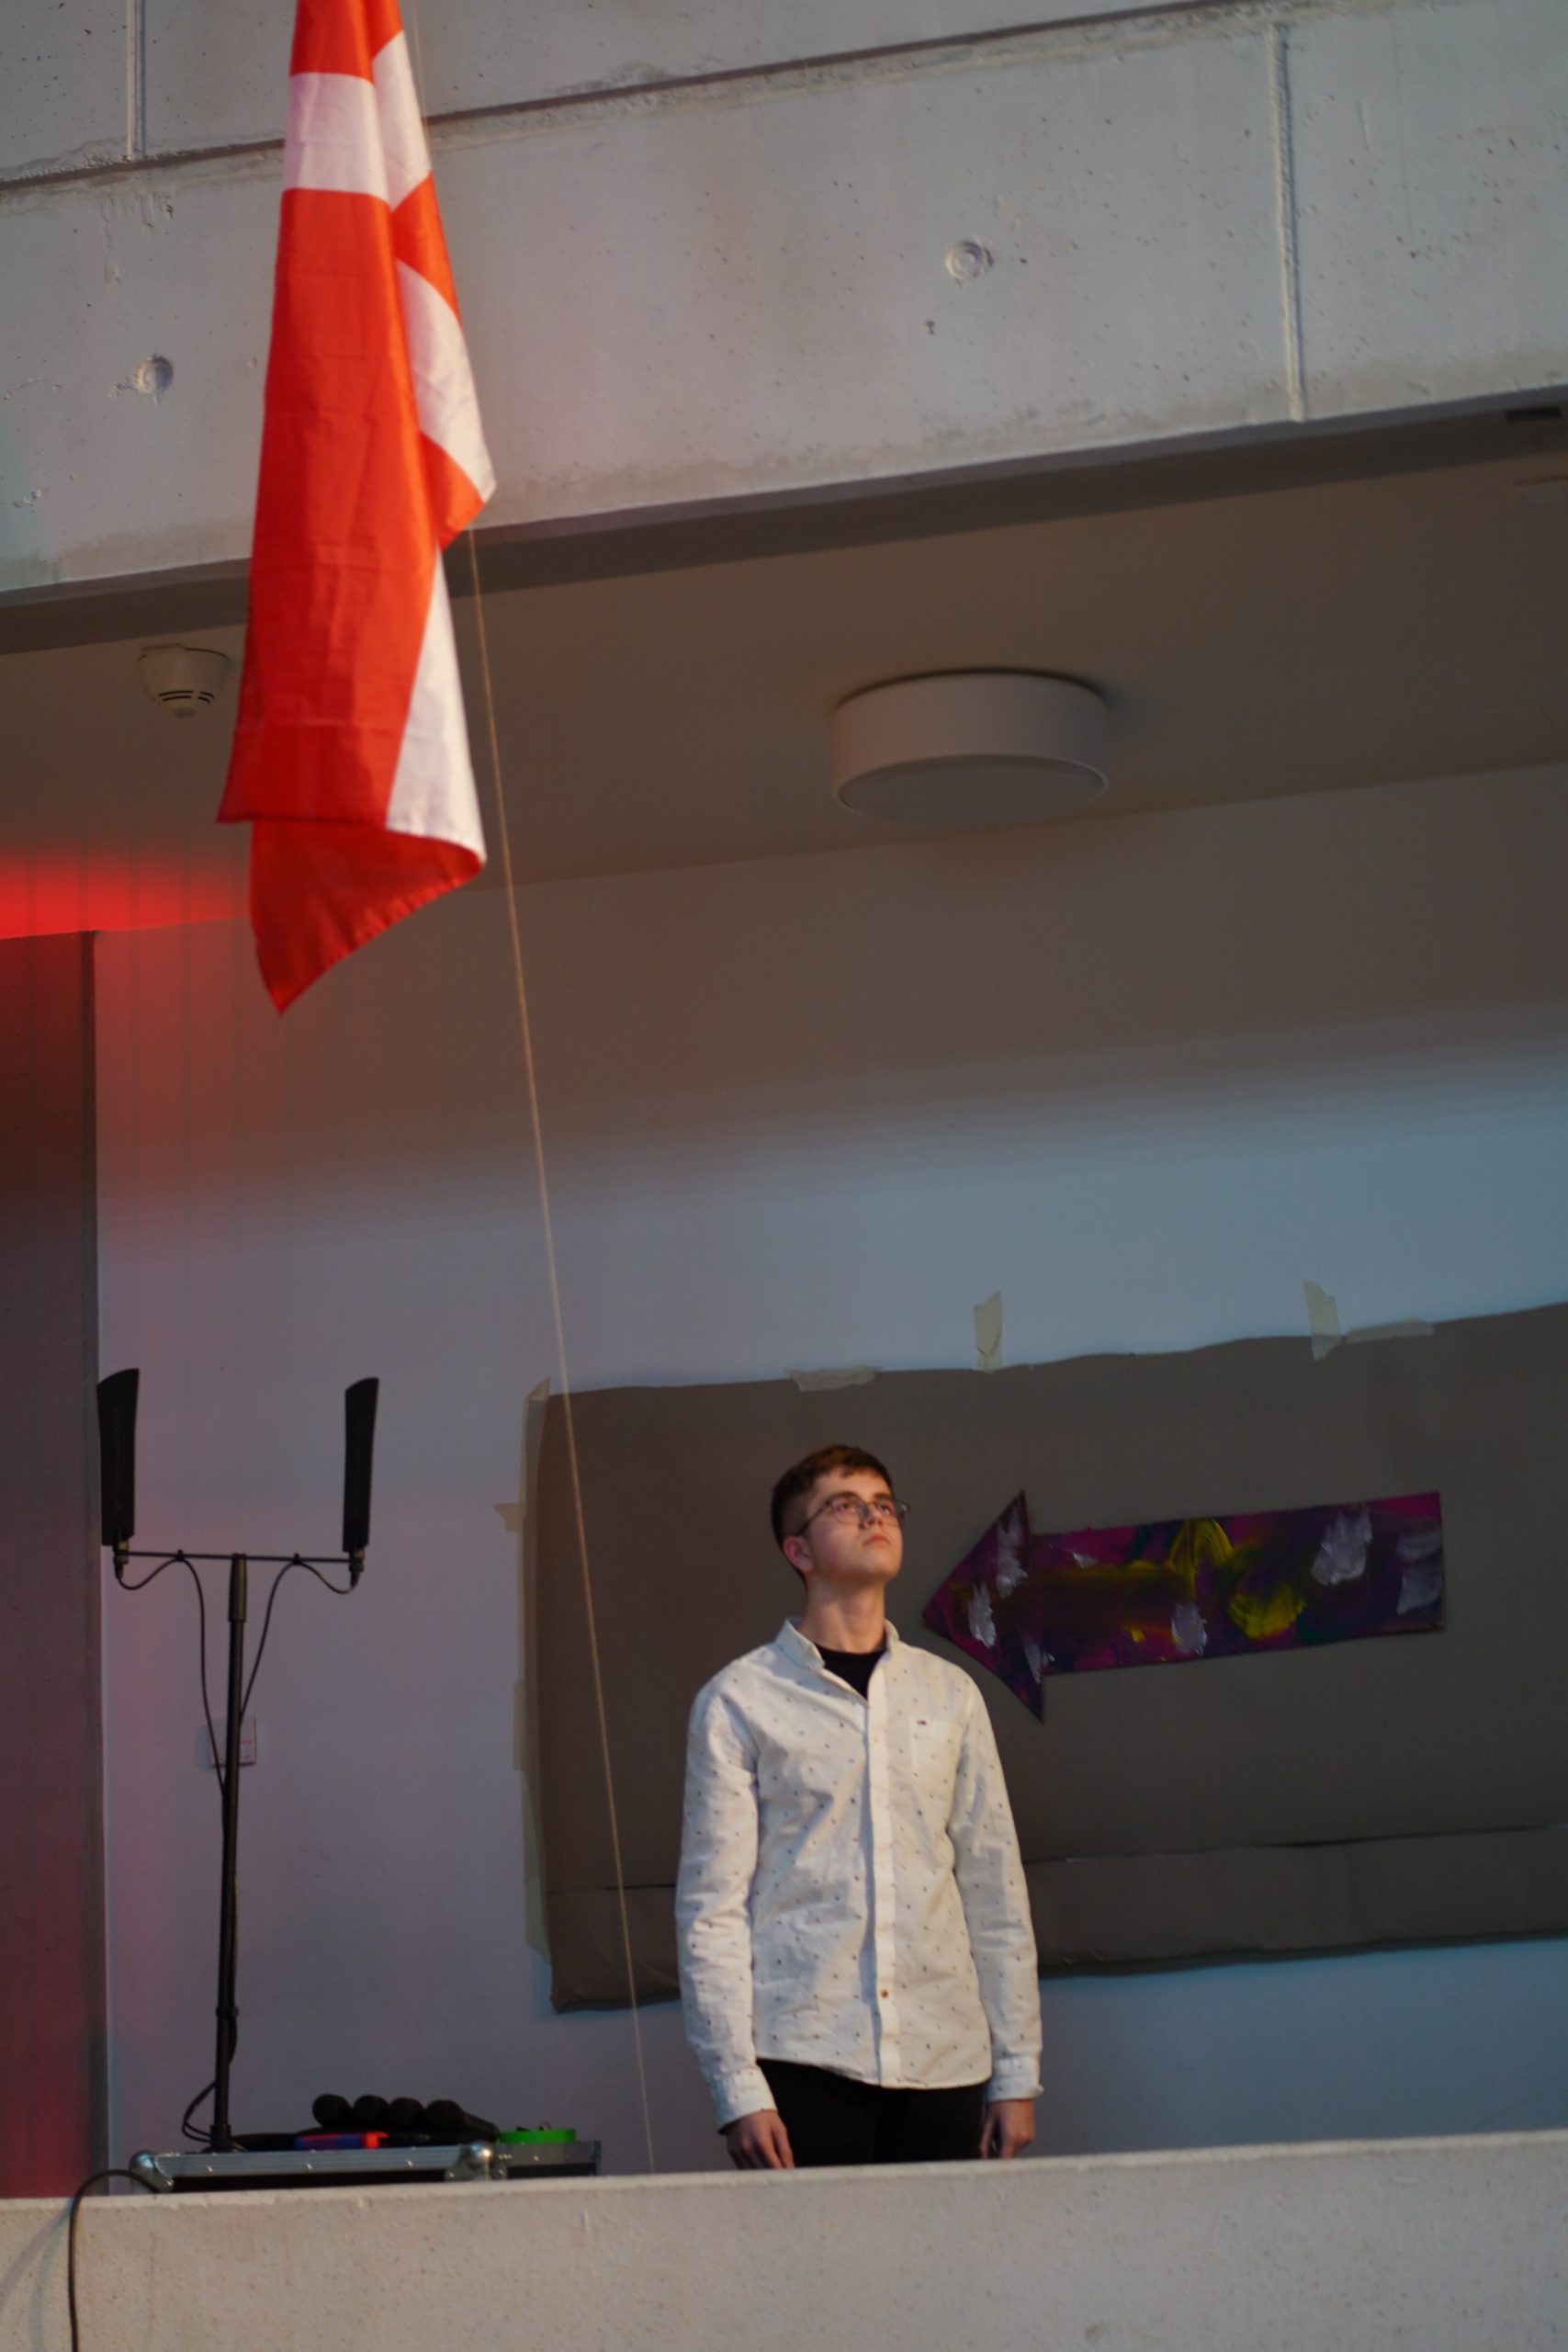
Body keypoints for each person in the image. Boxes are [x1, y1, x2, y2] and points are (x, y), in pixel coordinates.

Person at [676, 1442, 1042, 2170]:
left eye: (884, 1505)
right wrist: (736, 2088)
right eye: (844, 1507)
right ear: (798, 1550)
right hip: (802, 2059)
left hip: (945, 2059)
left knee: (944, 2249)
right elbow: (711, 1910)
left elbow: (994, 1891)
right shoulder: (738, 1702)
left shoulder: (949, 1695)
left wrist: (1015, 2073)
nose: (874, 1518)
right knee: (814, 2250)